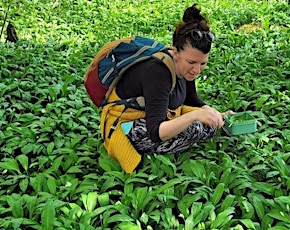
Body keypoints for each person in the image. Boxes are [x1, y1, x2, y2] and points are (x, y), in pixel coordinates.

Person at [99, 4, 233, 173]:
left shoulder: (186, 68)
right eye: (192, 63)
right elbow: (155, 132)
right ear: (175, 52)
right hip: (125, 125)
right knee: (195, 128)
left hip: (156, 116)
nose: (197, 70)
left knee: (208, 123)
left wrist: (214, 113)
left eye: (203, 64)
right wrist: (195, 115)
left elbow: (191, 99)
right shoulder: (158, 72)